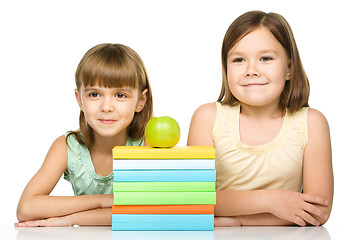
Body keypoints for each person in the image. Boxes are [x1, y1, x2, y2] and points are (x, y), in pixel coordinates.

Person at [187, 11, 333, 227]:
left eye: (265, 58)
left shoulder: (312, 123)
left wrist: (237, 220)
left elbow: (317, 212)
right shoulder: (208, 118)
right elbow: (194, 199)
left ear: (289, 69)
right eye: (238, 60)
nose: (251, 70)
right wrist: (271, 201)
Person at [15, 43, 153, 227]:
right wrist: (102, 200)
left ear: (140, 101)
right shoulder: (67, 146)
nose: (106, 107)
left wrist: (72, 219)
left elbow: (147, 211)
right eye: (95, 94)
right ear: (79, 99)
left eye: (120, 95)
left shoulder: (147, 146)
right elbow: (26, 208)